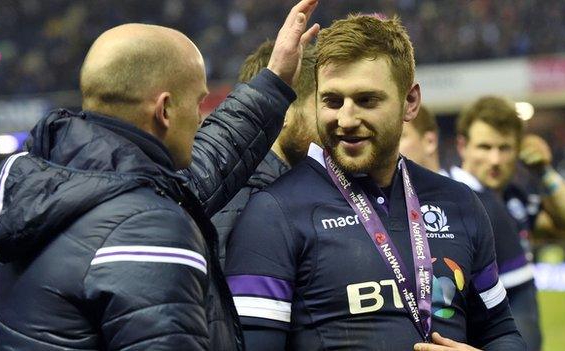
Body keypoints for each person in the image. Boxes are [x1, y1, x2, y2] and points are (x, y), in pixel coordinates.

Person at [0, 0, 320, 349]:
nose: (201, 117)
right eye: (198, 102)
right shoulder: (149, 228)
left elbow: (200, 170)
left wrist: (274, 82)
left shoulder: (58, 187)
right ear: (165, 109)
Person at [225, 14, 525, 351]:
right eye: (332, 101)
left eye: (367, 100)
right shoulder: (273, 213)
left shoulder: (459, 203)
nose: (347, 119)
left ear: (410, 102)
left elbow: (503, 334)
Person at [400, 104, 540, 350]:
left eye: (401, 135)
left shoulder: (473, 204)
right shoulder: (360, 211)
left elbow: (519, 314)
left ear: (430, 140)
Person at [456, 96, 565, 350]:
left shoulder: (514, 198)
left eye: (505, 148)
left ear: (519, 149)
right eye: (484, 147)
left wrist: (543, 171)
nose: (495, 160)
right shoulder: (452, 202)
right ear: (462, 146)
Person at [212, 40, 318, 267]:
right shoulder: (248, 199)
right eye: (326, 104)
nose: (338, 120)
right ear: (283, 111)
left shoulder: (276, 185)